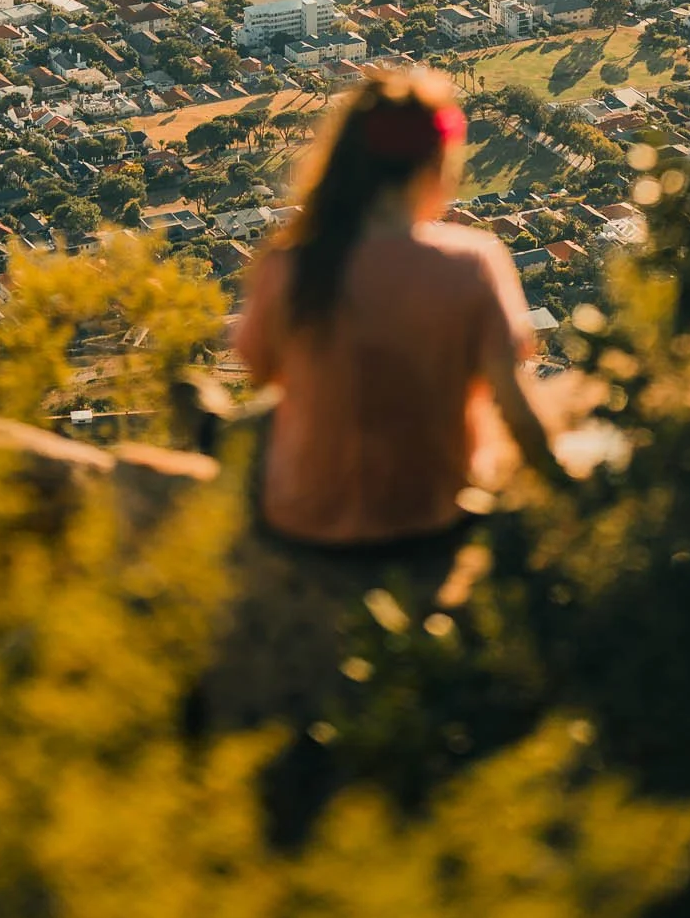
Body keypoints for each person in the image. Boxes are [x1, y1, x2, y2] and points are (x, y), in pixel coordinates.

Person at [233, 64, 562, 560]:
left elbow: (262, 372)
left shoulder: (292, 263)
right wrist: (568, 488)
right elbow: (514, 405)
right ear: (437, 162)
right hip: (430, 518)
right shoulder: (472, 260)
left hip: (304, 520)